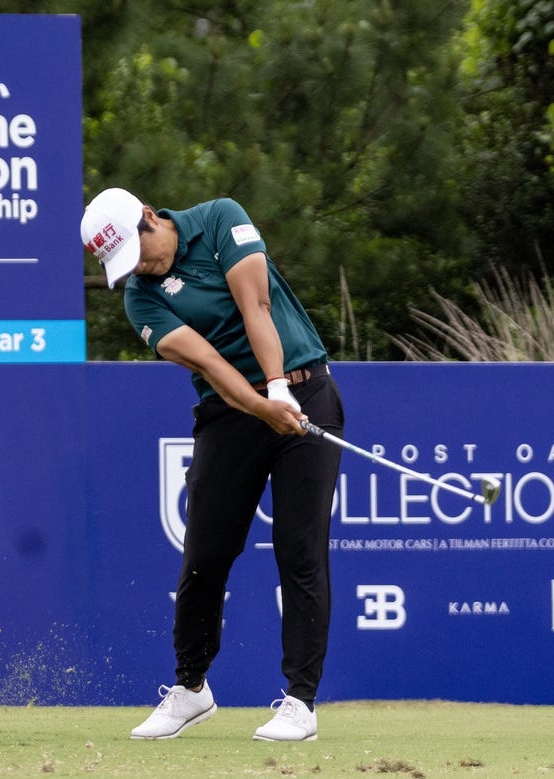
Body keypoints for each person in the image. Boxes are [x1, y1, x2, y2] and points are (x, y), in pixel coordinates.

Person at [80, 188, 344, 742]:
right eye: (126, 264)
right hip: (229, 415)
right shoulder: (141, 300)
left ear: (150, 217)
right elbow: (208, 360)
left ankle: (300, 702)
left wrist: (278, 387)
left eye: (140, 251)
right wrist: (260, 405)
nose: (141, 267)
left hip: (304, 392)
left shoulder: (221, 219)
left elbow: (257, 305)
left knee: (300, 552)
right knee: (204, 555)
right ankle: (191, 690)